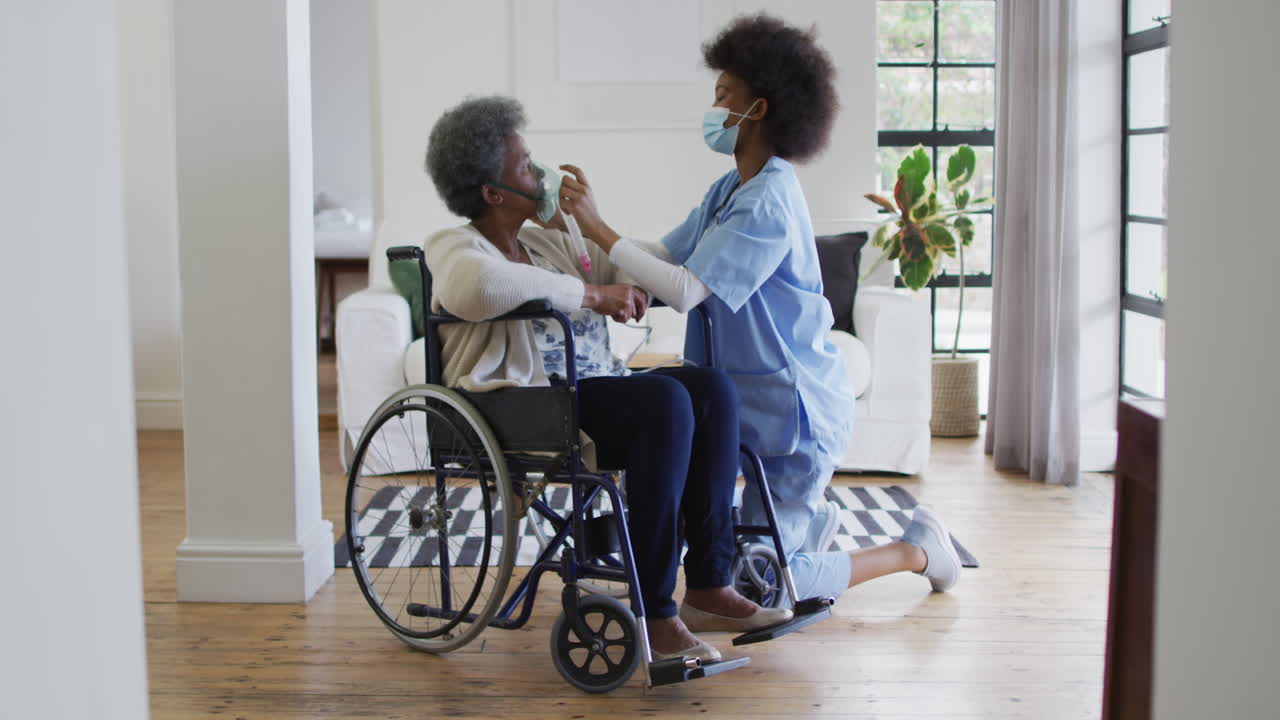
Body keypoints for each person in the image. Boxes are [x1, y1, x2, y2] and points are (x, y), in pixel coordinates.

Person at [556, 13, 963, 607]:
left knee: (774, 588)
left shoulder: (769, 201)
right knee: (734, 544)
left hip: (795, 412)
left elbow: (687, 288)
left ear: (760, 109)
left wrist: (598, 227)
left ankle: (919, 550)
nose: (714, 107)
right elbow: (663, 255)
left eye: (724, 95)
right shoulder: (731, 188)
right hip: (747, 406)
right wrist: (581, 241)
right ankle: (804, 530)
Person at [421, 95, 791, 662]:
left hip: (587, 395)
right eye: (525, 166)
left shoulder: (548, 240)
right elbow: (479, 289)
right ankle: (656, 611)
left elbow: (633, 261)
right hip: (526, 404)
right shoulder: (456, 246)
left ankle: (710, 586)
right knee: (665, 402)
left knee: (711, 389)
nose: (540, 173)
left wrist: (593, 224)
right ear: (492, 192)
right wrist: (592, 295)